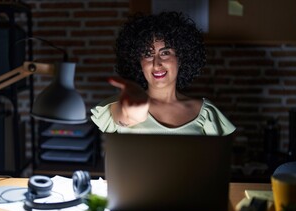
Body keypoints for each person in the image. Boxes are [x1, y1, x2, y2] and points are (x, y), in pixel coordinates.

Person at [91, 11, 235, 135]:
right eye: (148, 54)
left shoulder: (206, 113)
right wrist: (137, 108)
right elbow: (125, 118)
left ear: (180, 58)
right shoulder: (123, 104)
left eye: (165, 53)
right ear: (138, 62)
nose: (156, 63)